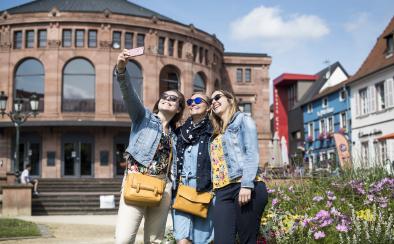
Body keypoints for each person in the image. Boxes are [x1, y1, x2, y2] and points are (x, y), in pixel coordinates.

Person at [114, 49, 185, 244]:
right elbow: (129, 93)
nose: (167, 99)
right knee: (124, 239)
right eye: (164, 96)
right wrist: (121, 68)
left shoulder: (177, 134)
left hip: (163, 187)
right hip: (137, 182)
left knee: (155, 240)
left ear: (179, 108)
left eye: (173, 98)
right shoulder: (143, 117)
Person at [209, 90, 269, 244]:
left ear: (230, 100)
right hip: (222, 192)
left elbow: (252, 153)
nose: (213, 101)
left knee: (247, 240)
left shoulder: (242, 119)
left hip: (244, 185)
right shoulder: (216, 132)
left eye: (217, 97)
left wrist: (247, 185)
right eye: (211, 100)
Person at [172, 93, 214, 244]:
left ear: (208, 107)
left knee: (201, 239)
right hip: (182, 188)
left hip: (203, 189)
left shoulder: (214, 132)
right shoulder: (179, 133)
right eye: (190, 101)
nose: (193, 103)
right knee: (181, 238)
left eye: (198, 100)